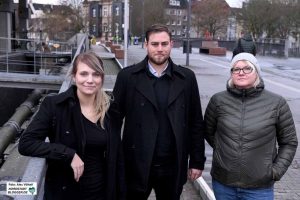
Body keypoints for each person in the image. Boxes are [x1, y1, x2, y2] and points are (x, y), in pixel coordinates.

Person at [110, 24, 206, 200]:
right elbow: (113, 121)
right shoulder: (127, 77)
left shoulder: (186, 78)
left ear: (171, 44)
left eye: (164, 44)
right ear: (146, 44)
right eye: (155, 44)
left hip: (172, 164)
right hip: (136, 163)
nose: (160, 49)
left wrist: (197, 161)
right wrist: (114, 159)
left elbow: (195, 123)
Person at [18, 52, 125, 200]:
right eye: (84, 74)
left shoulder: (110, 109)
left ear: (102, 78)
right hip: (65, 193)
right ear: (74, 77)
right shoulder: (55, 106)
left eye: (96, 74)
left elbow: (117, 156)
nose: (90, 80)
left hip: (100, 192)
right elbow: (26, 144)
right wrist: (68, 154)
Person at [204, 53, 298, 200]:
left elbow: (289, 142)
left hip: (259, 188)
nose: (241, 72)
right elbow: (209, 132)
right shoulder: (218, 101)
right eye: (236, 69)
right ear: (231, 73)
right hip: (224, 184)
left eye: (247, 68)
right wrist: (224, 151)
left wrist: (275, 171)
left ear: (257, 72)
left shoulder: (276, 103)